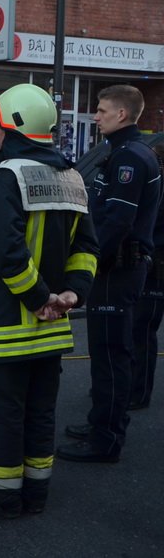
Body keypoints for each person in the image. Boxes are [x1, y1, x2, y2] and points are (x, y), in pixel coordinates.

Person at [0, 83, 98, 518]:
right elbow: (87, 248)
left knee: (0, 413)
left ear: (9, 127)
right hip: (53, 326)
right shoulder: (72, 177)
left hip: (6, 326)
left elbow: (7, 252)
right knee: (39, 412)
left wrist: (38, 299)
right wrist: (72, 293)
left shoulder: (5, 177)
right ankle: (35, 492)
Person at [58, 85, 161, 463]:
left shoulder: (129, 158)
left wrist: (86, 265)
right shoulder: (122, 153)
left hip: (118, 269)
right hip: (117, 267)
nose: (96, 116)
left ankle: (106, 439)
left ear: (121, 114)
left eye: (101, 111)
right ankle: (101, 421)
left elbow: (116, 220)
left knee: (111, 354)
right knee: (105, 354)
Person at [128, 141, 164, 411]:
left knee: (143, 328)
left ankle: (139, 393)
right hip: (148, 262)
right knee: (136, 328)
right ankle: (131, 387)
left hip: (157, 266)